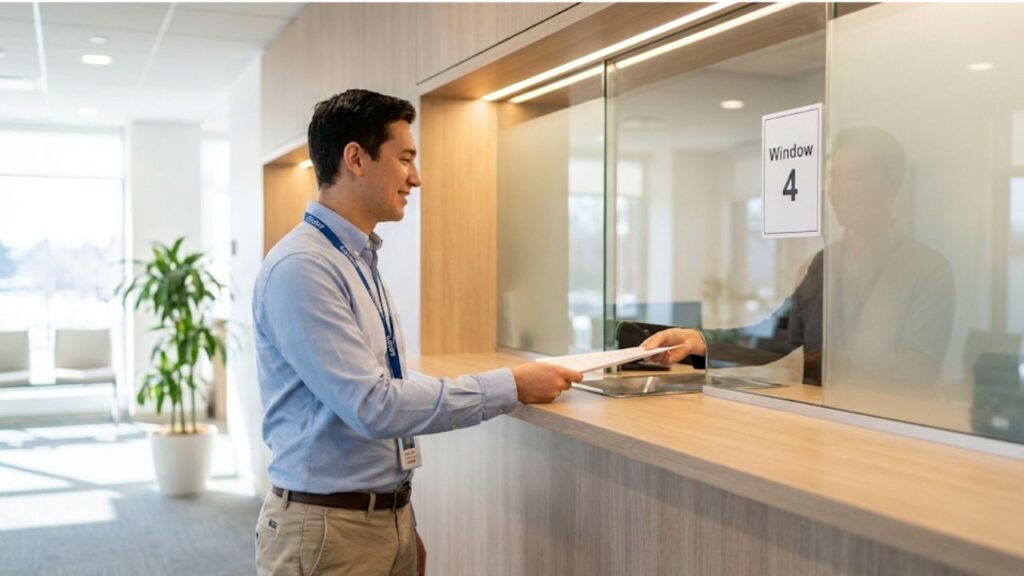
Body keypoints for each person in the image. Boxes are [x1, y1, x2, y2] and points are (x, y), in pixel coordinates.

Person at [252, 89, 583, 576]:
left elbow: (389, 387)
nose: (417, 177)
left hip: (376, 519)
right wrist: (509, 386)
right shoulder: (304, 268)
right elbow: (374, 405)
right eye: (405, 158)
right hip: (328, 532)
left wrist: (397, 520)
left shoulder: (356, 259)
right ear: (355, 158)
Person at [642, 127, 954, 390]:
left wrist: (836, 363)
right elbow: (779, 342)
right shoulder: (823, 264)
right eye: (835, 178)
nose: (839, 190)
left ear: (892, 184)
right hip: (817, 420)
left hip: (888, 429)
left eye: (855, 176)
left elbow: (920, 368)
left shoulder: (927, 268)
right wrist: (699, 340)